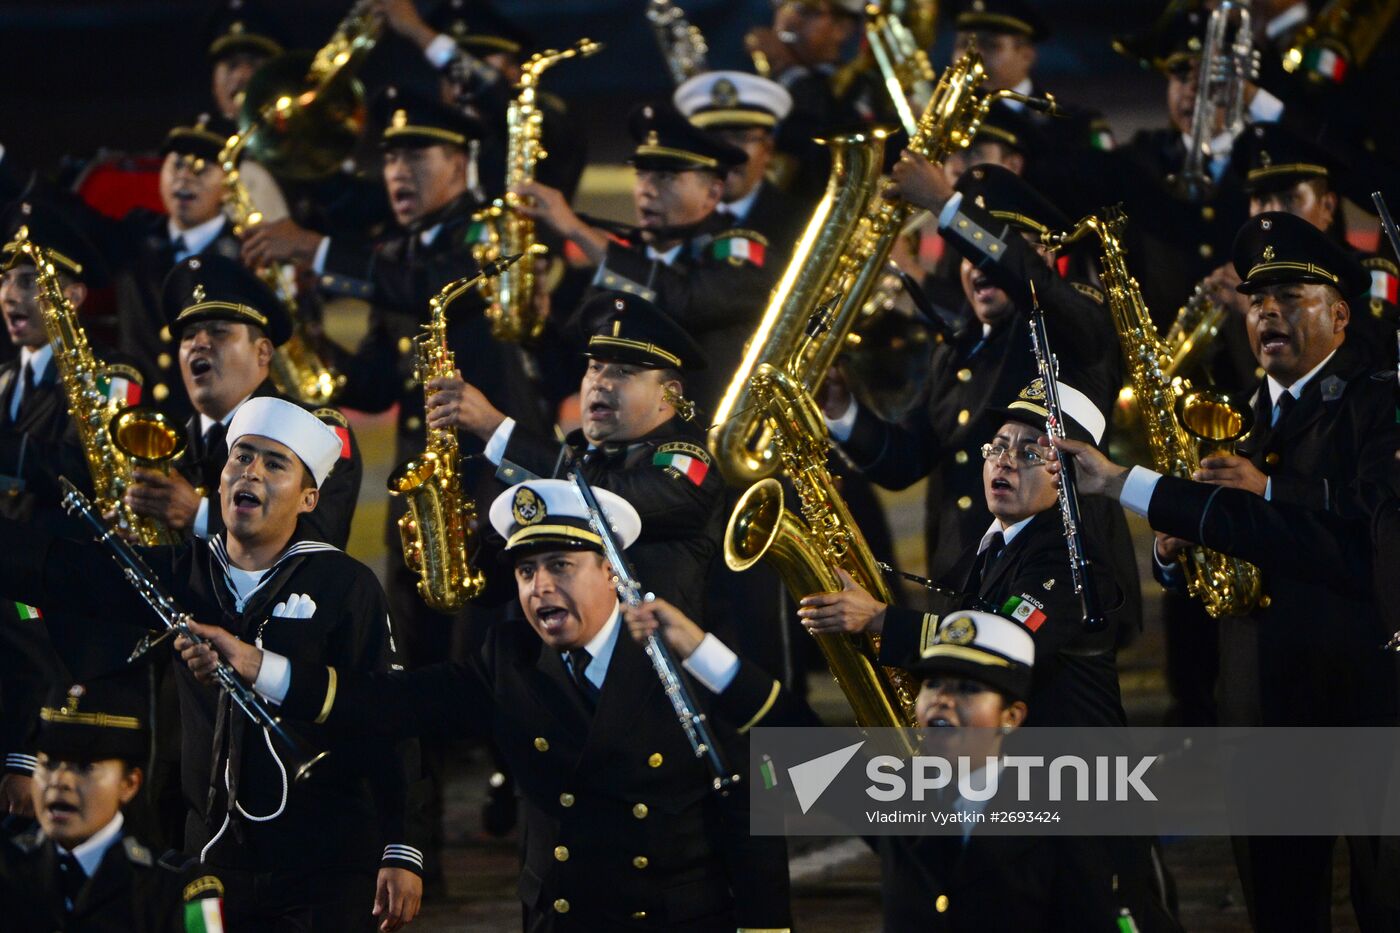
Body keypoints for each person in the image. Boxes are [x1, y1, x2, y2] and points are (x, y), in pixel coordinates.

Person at [178, 478, 795, 932]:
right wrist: (258, 665)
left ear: (613, 572)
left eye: (560, 565)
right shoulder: (512, 656)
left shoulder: (687, 653)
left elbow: (797, 795)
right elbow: (390, 704)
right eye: (526, 571)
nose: (540, 587)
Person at [1084, 211, 1400, 930]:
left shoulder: (1379, 401)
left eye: (1291, 296)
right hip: (1260, 708)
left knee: (1388, 902)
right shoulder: (1241, 416)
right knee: (1280, 907)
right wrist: (1177, 552)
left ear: (1341, 313)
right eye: (1258, 301)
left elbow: (1362, 533)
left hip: (1367, 707)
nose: (1268, 314)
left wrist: (1255, 492)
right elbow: (1231, 552)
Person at [0, 397, 424, 932]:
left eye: (275, 464)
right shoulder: (180, 572)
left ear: (309, 497)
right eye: (241, 457)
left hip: (327, 866)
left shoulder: (347, 585)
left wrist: (402, 845)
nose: (251, 471)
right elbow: (57, 570)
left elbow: (390, 716)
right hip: (212, 863)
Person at [820, 160, 1140, 639]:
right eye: (968, 256)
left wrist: (946, 206)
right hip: (965, 582)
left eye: (992, 251)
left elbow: (1033, 284)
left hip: (1054, 588)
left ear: (1042, 258)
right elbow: (906, 460)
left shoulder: (1070, 324)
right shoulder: (956, 350)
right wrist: (840, 410)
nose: (980, 269)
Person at [808, 379, 1127, 729]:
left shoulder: (1073, 559)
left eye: (1030, 454)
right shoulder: (989, 547)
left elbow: (1004, 638)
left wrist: (880, 617)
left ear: (1070, 476)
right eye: (998, 448)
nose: (1004, 463)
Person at [424, 291, 723, 619]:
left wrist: (498, 431)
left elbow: (607, 501)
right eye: (595, 367)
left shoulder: (688, 462)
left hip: (645, 662)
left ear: (669, 394)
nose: (601, 383)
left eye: (624, 372)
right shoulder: (572, 456)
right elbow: (493, 588)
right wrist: (458, 545)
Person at [514, 101, 774, 412]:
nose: (646, 190)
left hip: (708, 443)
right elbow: (572, 371)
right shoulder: (629, 260)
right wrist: (539, 328)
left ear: (713, 193)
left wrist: (576, 229)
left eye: (666, 177)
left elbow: (687, 302)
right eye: (642, 174)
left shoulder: (738, 251)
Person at [0, 118, 247, 422]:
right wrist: (5, 166)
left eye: (200, 168)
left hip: (208, 430)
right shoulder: (137, 235)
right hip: (132, 416)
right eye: (176, 165)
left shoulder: (246, 256)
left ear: (229, 184)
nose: (184, 178)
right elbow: (71, 214)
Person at [122, 255, 362, 549]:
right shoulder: (166, 451)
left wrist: (199, 514)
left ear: (262, 352)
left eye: (219, 331)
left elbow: (319, 535)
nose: (199, 342)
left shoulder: (315, 429)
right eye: (188, 335)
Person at [0, 672, 226, 933]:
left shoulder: (179, 889)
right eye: (49, 764)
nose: (60, 780)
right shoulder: (8, 868)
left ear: (129, 784)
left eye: (85, 767)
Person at [672, 70, 809, 255]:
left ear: (767, 149)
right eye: (713, 138)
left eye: (740, 137)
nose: (727, 151)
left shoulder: (803, 223)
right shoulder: (673, 221)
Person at [745, 0, 865, 199]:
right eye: (782, 6)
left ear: (842, 29)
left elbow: (816, 137)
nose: (789, 18)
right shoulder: (758, 78)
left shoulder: (858, 87)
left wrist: (790, 69)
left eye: (806, 11)